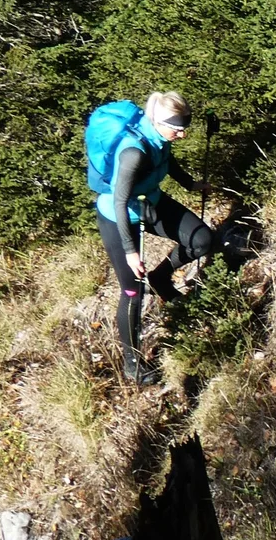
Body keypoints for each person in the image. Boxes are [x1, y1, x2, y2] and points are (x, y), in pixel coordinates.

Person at [92, 92, 216, 385]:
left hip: (151, 202)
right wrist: (130, 251)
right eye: (177, 129)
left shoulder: (160, 138)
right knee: (132, 291)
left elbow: (166, 160)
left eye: (185, 127)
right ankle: (132, 363)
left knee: (202, 240)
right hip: (117, 217)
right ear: (156, 122)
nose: (182, 135)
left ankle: (161, 278)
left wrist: (190, 184)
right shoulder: (134, 152)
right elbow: (120, 202)